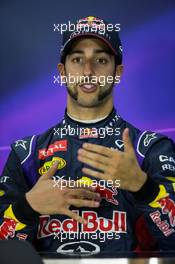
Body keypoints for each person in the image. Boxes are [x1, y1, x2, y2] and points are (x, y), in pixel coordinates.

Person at [0, 16, 175, 256]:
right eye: (77, 59)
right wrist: (27, 208)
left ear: (118, 72)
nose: (88, 71)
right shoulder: (26, 154)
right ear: (62, 71)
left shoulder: (151, 149)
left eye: (101, 60)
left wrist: (143, 188)